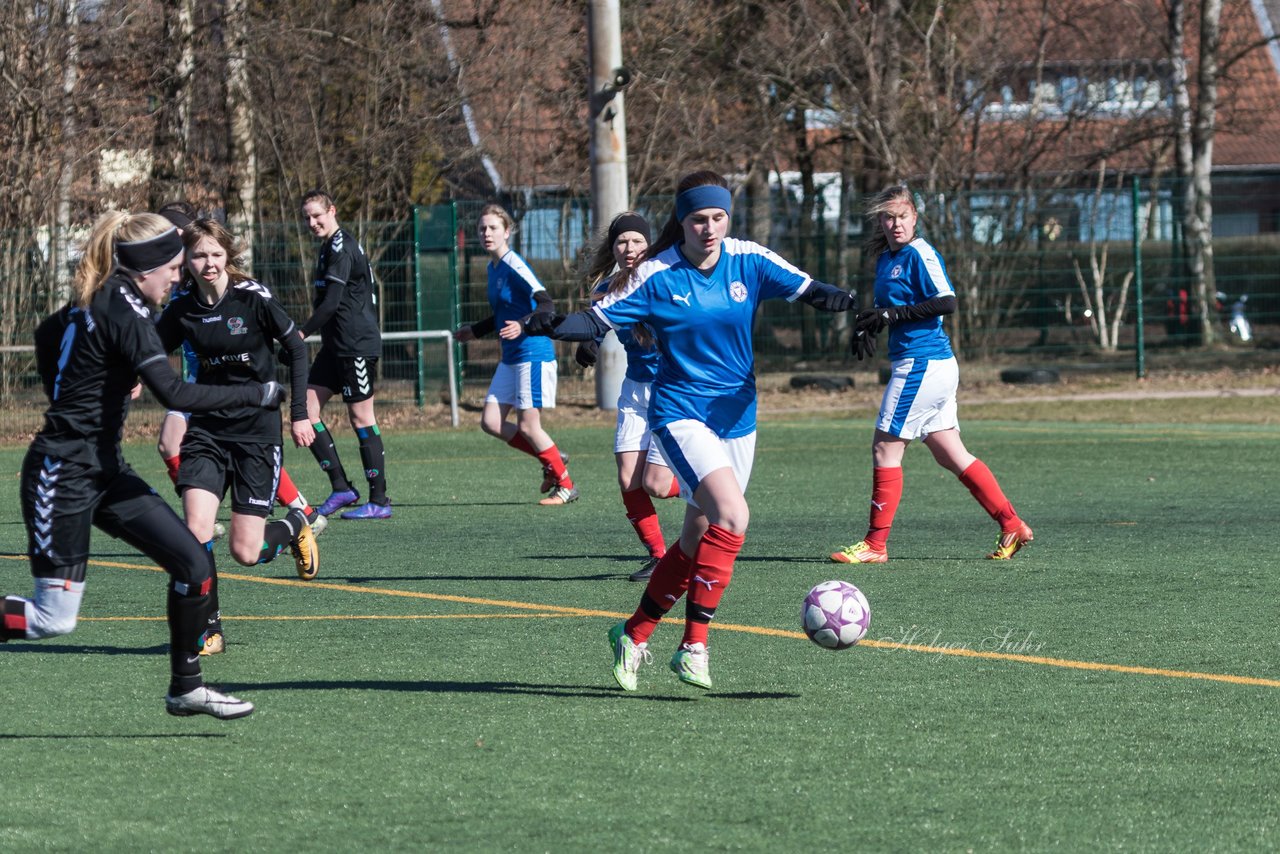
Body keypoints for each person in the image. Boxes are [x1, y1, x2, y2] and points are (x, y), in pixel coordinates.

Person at [524, 170, 856, 691]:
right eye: (698, 218)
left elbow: (815, 291)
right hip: (680, 413)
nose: (709, 228)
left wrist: (859, 308)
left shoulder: (749, 259)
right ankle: (694, 646)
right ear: (680, 220)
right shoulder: (656, 274)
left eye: (718, 217)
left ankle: (633, 634)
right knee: (733, 515)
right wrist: (554, 324)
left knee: (697, 537)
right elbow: (595, 322)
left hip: (738, 418)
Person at [0, 210, 285, 719]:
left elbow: (48, 334)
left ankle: (187, 688)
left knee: (194, 564)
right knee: (52, 619)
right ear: (147, 269)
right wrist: (256, 393)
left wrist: (82, 384)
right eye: (174, 268)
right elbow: (172, 391)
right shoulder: (124, 310)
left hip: (104, 470)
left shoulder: (110, 296)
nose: (180, 277)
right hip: (62, 473)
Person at [832, 185, 1033, 564]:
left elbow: (947, 301)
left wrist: (890, 316)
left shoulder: (920, 253)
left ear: (915, 218)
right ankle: (1012, 524)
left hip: (922, 364)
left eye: (902, 216)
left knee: (885, 448)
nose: (896, 224)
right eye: (888, 217)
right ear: (880, 220)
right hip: (929, 366)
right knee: (951, 454)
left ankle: (875, 544)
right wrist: (869, 326)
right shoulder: (888, 258)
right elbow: (891, 306)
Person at [155, 218, 320, 652]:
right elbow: (151, 352)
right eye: (198, 255)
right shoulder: (182, 307)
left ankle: (297, 523)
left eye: (215, 254)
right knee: (196, 529)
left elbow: (297, 350)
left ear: (227, 255)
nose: (208, 263)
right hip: (207, 430)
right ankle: (210, 629)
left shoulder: (253, 299)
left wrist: (299, 414)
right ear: (186, 261)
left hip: (256, 433)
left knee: (246, 552)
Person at [577, 212, 680, 581]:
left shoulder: (663, 280)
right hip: (635, 389)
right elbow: (597, 321)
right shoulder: (604, 289)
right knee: (627, 479)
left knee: (655, 483)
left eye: (638, 241)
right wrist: (587, 343)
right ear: (614, 248)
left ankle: (714, 490)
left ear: (649, 245)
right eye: (622, 241)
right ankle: (659, 557)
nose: (630, 248)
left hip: (672, 387)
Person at [455, 203, 577, 506]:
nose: (486, 233)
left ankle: (565, 485)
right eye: (482, 228)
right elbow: (503, 313)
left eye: (493, 227)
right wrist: (476, 330)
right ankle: (550, 457)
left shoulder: (514, 264)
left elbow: (546, 304)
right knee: (491, 422)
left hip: (533, 354)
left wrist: (523, 326)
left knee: (529, 426)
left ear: (507, 231)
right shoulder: (492, 267)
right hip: (511, 357)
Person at [298, 189, 391, 519]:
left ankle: (379, 501)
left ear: (332, 211)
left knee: (362, 419)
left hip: (356, 346)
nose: (312, 222)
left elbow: (332, 303)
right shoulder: (327, 247)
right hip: (334, 346)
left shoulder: (341, 247)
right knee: (305, 410)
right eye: (307, 217)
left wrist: (300, 334)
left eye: (317, 215)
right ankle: (341, 487)